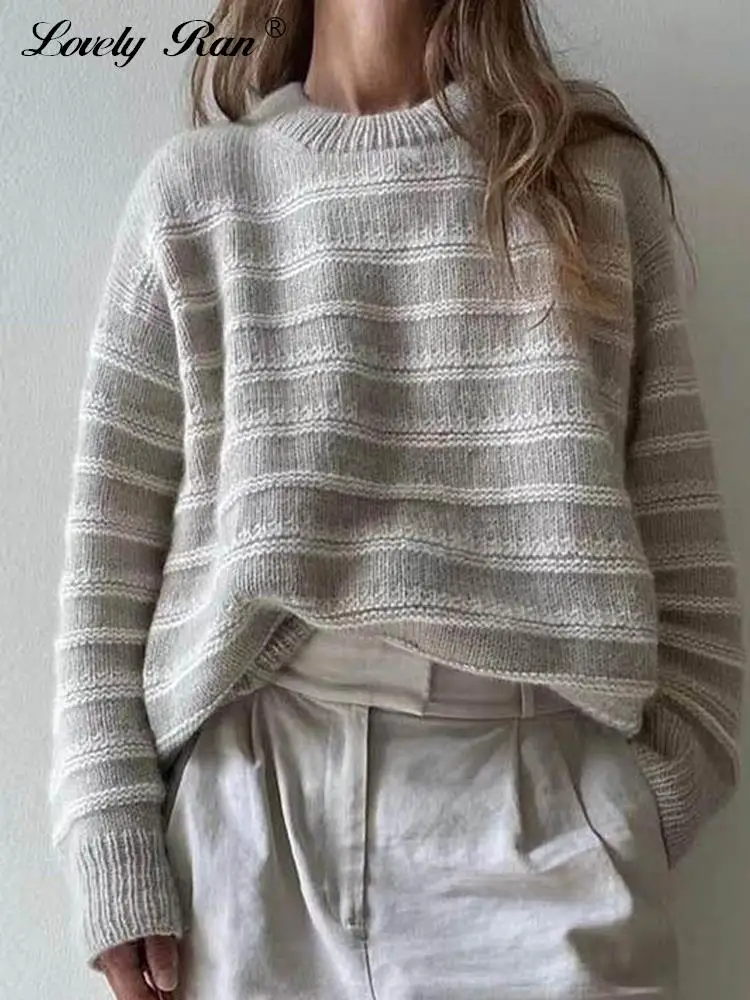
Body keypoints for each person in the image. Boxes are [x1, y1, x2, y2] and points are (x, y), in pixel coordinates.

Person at [48, 0, 746, 998]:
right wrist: (110, 839)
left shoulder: (588, 179)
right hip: (251, 836)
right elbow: (104, 575)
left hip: (542, 827)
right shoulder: (198, 194)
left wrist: (629, 807)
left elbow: (693, 588)